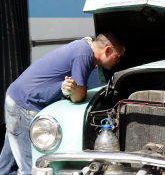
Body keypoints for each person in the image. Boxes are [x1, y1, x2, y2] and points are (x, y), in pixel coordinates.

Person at [0, 32, 125, 175]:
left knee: (6, 165)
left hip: (16, 98)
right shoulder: (84, 54)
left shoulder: (82, 48)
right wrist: (72, 91)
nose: (118, 62)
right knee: (30, 168)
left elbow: (74, 91)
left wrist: (70, 90)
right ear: (108, 50)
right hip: (24, 105)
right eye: (118, 57)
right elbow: (78, 97)